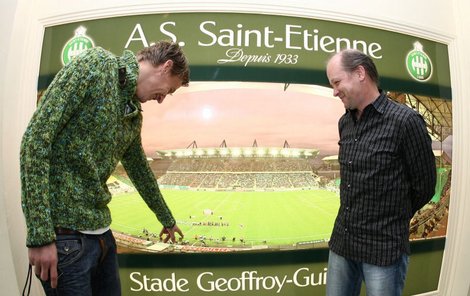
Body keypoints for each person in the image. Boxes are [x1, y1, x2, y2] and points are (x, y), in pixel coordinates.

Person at [20, 40, 189, 295]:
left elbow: (140, 171)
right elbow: (36, 139)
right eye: (170, 89)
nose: (163, 99)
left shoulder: (133, 114)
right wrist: (40, 235)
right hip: (65, 240)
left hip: (102, 240)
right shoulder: (96, 65)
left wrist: (166, 219)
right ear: (165, 67)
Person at [325, 49, 436, 296]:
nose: (334, 91)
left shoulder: (406, 121)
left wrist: (389, 220)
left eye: (337, 82)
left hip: (383, 250)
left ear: (360, 73)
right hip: (343, 244)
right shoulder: (345, 123)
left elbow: (425, 187)